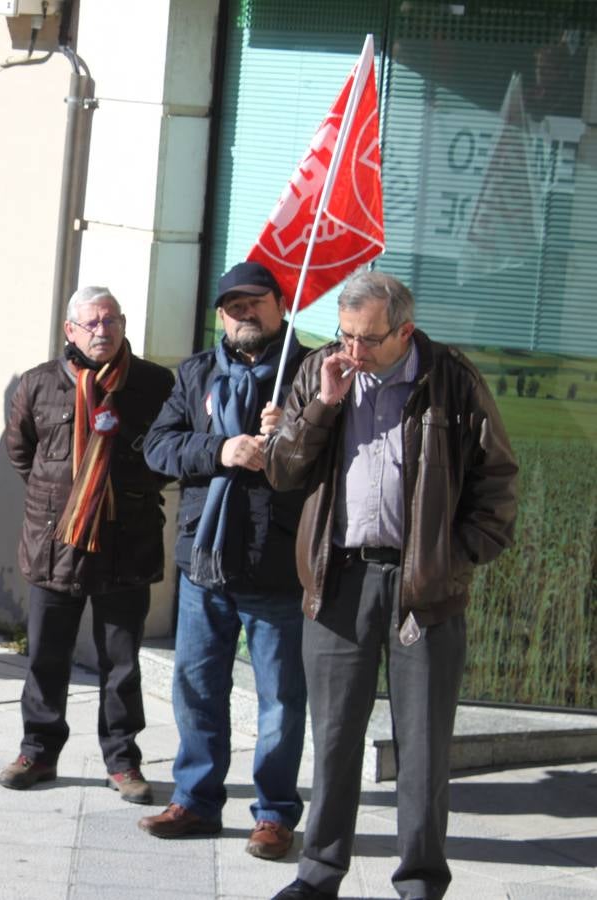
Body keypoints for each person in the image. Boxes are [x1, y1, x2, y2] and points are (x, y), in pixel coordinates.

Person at [263, 272, 518, 900]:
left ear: (404, 330)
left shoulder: (452, 381)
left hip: (423, 589)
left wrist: (448, 560)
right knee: (334, 741)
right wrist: (322, 404)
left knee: (424, 750)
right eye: (345, 335)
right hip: (338, 580)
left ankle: (422, 883)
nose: (353, 351)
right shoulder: (322, 372)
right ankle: (319, 875)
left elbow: (498, 487)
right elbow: (281, 470)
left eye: (368, 339)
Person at [138, 261, 310, 859]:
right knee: (195, 687)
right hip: (203, 562)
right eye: (233, 305)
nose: (244, 314)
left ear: (279, 307)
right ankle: (197, 800)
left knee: (281, 698)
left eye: (255, 303)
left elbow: (334, 457)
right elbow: (158, 448)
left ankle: (274, 814)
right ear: (220, 315)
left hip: (275, 561)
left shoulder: (306, 373)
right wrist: (223, 449)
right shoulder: (194, 374)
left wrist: (289, 438)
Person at [0, 286, 173, 804]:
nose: (103, 331)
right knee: (46, 657)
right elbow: (21, 453)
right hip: (56, 543)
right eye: (91, 323)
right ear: (70, 331)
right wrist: (72, 502)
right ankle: (38, 750)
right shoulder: (37, 385)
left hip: (127, 542)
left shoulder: (153, 385)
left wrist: (121, 490)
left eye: (111, 320)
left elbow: (167, 453)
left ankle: (122, 760)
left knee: (121, 663)